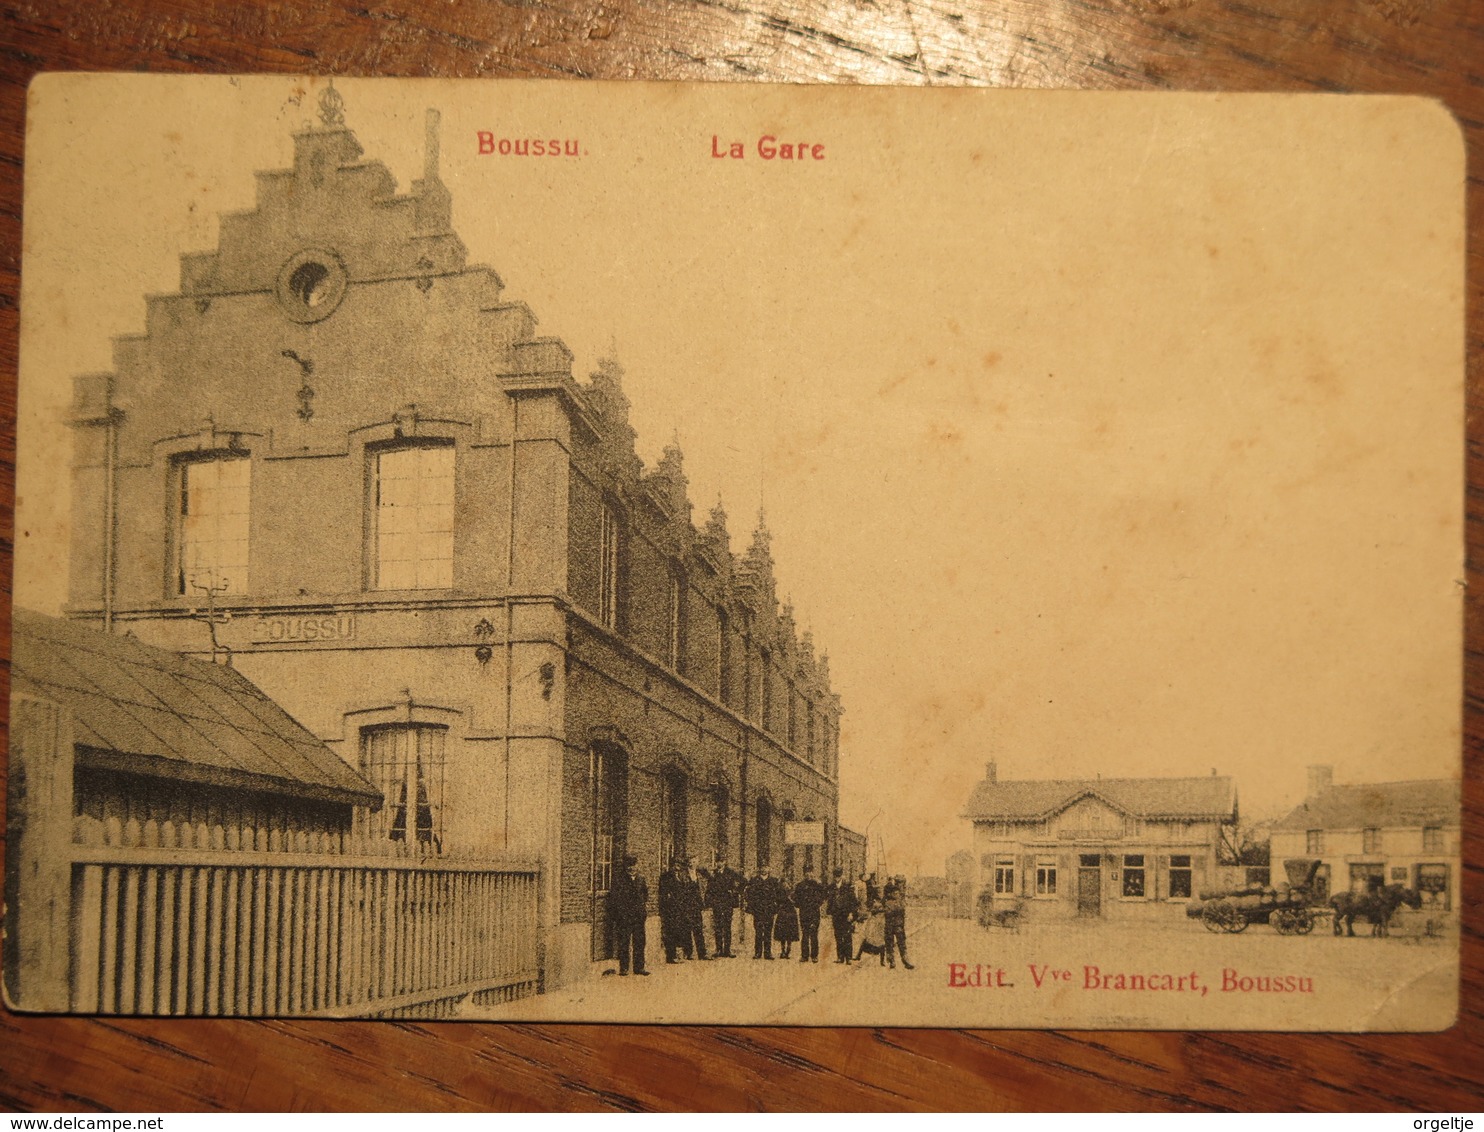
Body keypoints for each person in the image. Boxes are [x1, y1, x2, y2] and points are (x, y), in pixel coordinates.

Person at [606, 854, 650, 976]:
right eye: (629, 866)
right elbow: (614, 899)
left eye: (634, 865)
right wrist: (619, 915)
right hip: (625, 917)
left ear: (637, 866)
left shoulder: (641, 879)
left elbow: (645, 895)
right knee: (624, 942)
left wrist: (642, 910)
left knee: (640, 942)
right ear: (626, 867)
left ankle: (639, 967)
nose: (632, 868)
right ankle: (624, 968)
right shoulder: (619, 880)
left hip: (639, 917)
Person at [659, 855, 707, 962]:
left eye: (679, 865)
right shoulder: (667, 876)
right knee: (675, 932)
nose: (677, 867)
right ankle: (674, 956)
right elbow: (663, 894)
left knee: (692, 930)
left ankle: (698, 954)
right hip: (673, 908)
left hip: (685, 907)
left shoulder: (684, 876)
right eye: (675, 864)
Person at [744, 866, 783, 959]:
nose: (764, 869)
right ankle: (758, 952)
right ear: (759, 869)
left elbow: (780, 894)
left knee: (768, 932)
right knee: (758, 931)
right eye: (762, 867)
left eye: (766, 867)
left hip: (769, 910)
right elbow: (748, 894)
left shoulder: (774, 881)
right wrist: (752, 905)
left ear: (769, 869)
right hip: (758, 910)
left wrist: (776, 906)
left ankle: (768, 953)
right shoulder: (754, 880)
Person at [708, 857, 743, 957]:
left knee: (727, 927)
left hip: (728, 903)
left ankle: (727, 950)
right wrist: (710, 901)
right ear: (716, 862)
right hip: (717, 903)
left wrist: (735, 891)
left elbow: (743, 881)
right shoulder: (713, 873)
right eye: (718, 861)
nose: (719, 863)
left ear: (725, 862)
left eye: (722, 861)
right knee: (718, 926)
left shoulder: (730, 872)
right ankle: (719, 949)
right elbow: (709, 888)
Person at [792, 866, 828, 963]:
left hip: (815, 912)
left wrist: (817, 903)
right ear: (804, 874)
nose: (809, 874)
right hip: (804, 912)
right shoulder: (800, 885)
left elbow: (824, 896)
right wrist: (800, 905)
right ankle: (804, 956)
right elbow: (795, 898)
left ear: (813, 873)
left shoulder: (818, 885)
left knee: (814, 934)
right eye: (807, 873)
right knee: (805, 934)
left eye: (810, 872)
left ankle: (814, 956)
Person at [827, 867, 859, 963]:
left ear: (841, 876)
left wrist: (851, 914)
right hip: (836, 915)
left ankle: (848, 958)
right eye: (835, 877)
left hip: (846, 915)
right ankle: (840, 957)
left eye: (838, 876)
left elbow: (854, 902)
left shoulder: (847, 886)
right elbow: (830, 901)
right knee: (838, 936)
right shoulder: (831, 887)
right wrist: (829, 913)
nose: (837, 878)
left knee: (847, 936)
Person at [882, 875, 914, 970]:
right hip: (890, 925)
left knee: (901, 942)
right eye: (900, 883)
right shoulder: (889, 900)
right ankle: (892, 960)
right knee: (890, 942)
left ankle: (904, 960)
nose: (902, 886)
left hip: (899, 924)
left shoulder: (900, 897)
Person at [773, 888, 800, 959]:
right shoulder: (780, 889)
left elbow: (797, 903)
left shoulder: (794, 890)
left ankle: (788, 950)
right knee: (782, 932)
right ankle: (782, 951)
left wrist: (791, 899)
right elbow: (777, 900)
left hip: (791, 913)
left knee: (790, 932)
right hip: (782, 912)